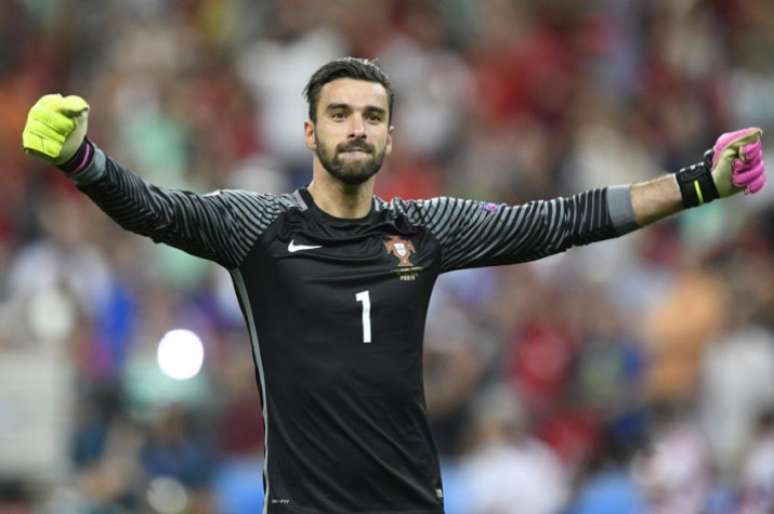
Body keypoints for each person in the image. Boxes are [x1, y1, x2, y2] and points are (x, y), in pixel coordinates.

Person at [21, 57, 766, 514]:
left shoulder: (427, 228)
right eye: (339, 114)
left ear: (389, 138)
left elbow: (561, 220)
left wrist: (699, 183)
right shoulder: (258, 229)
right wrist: (86, 159)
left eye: (372, 117)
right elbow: (154, 210)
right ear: (309, 133)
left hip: (411, 505)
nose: (356, 127)